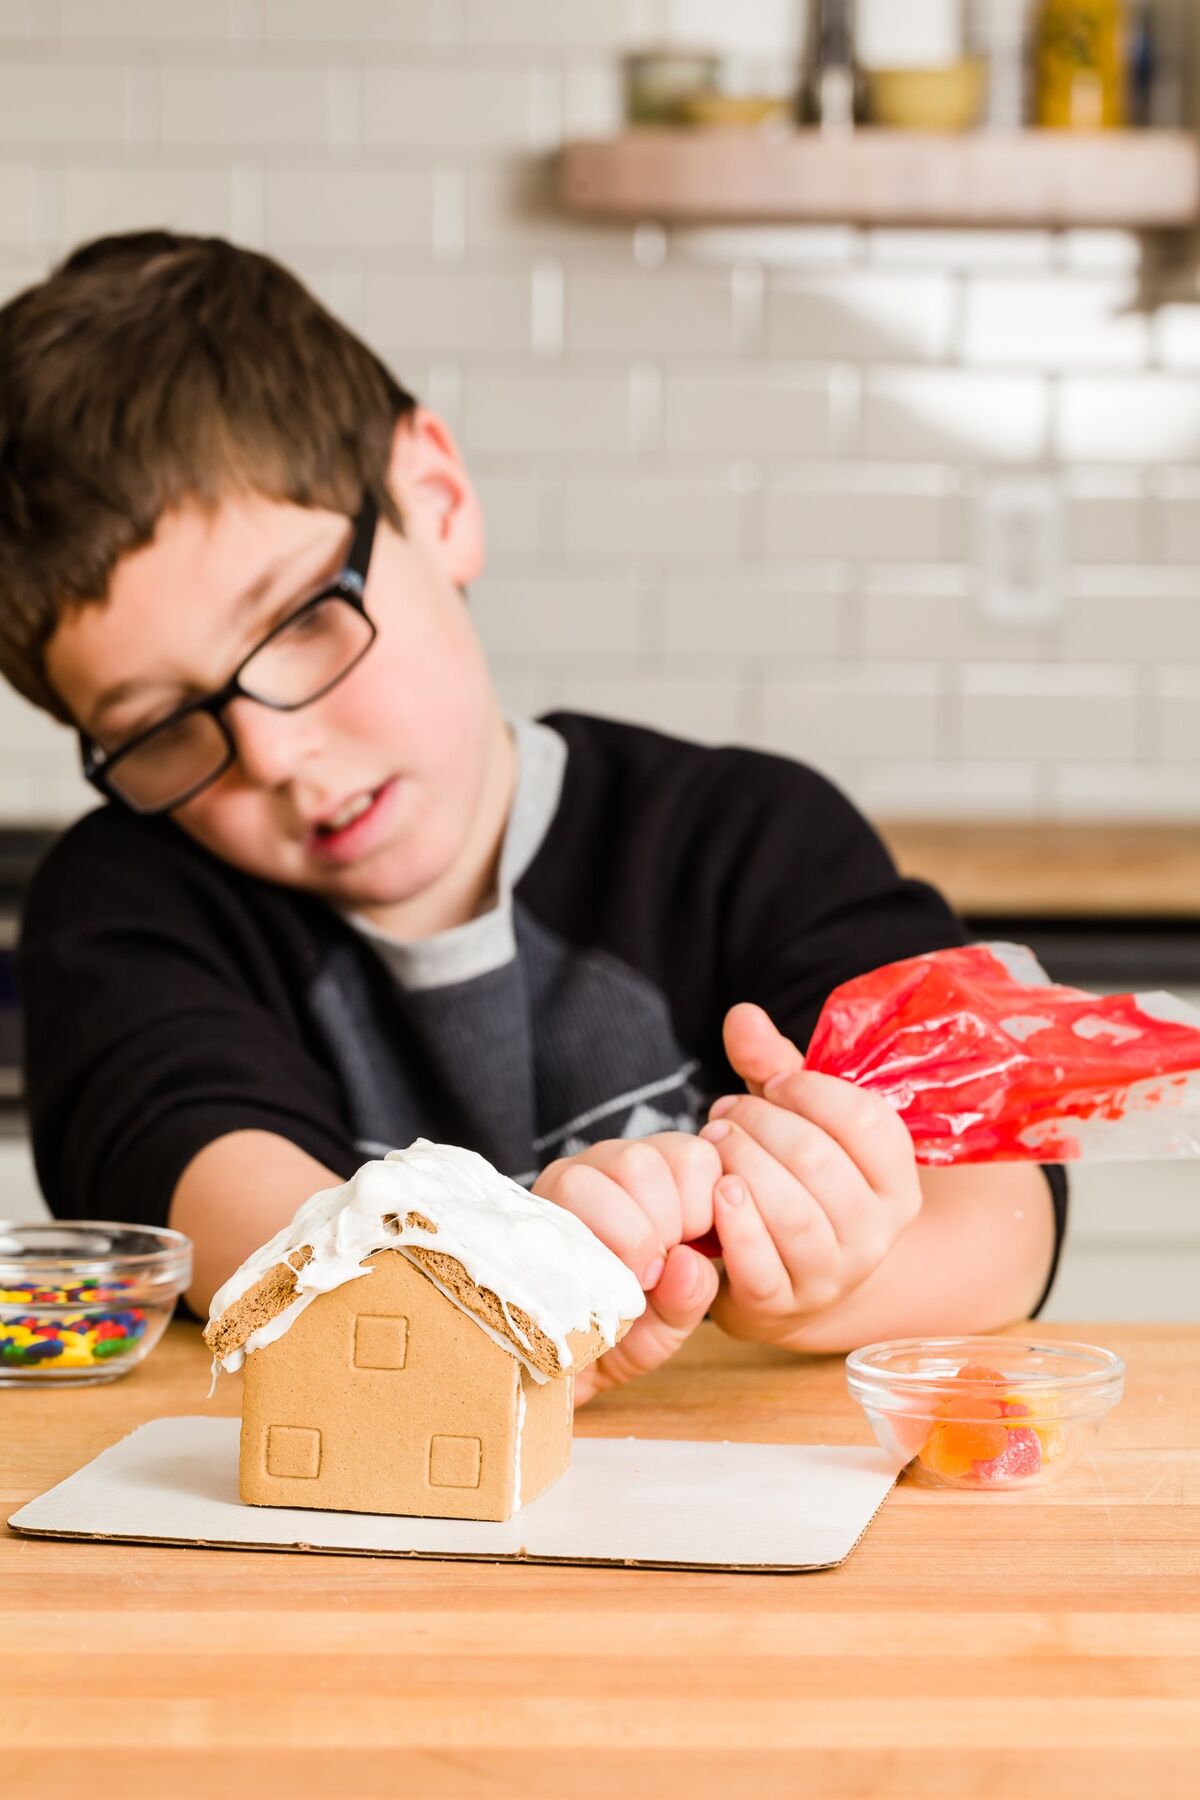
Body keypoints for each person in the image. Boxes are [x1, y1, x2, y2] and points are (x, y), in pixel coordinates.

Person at [0, 232, 1067, 1403]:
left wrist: (817, 1276)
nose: (275, 754)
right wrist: (500, 1290)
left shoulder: (750, 837)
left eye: (302, 621)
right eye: (161, 725)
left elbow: (1006, 1214)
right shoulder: (121, 914)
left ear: (436, 499)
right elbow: (247, 1220)